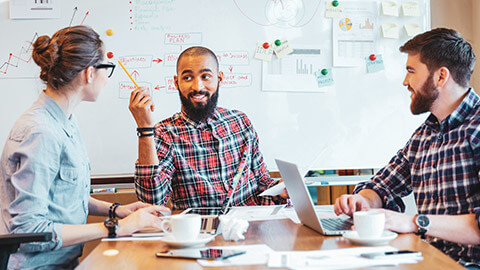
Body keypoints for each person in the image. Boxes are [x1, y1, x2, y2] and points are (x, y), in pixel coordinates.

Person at [0, 26, 169, 269]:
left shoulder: (64, 120)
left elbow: (62, 196)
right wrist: (118, 228)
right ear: (90, 73)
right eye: (106, 69)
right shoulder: (40, 132)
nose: (105, 78)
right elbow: (29, 230)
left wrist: (117, 210)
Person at [334, 28, 480, 267]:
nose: (405, 82)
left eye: (411, 71)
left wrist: (413, 222)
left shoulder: (476, 130)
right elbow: (382, 186)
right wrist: (362, 201)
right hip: (426, 257)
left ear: (441, 76)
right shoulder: (424, 135)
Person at [129, 46, 287, 210]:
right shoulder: (164, 134)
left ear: (219, 78)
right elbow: (153, 202)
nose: (198, 86)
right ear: (177, 82)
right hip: (200, 231)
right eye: (188, 77)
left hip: (250, 227)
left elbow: (262, 181)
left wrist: (280, 190)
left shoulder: (240, 122)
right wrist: (145, 129)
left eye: (206, 76)